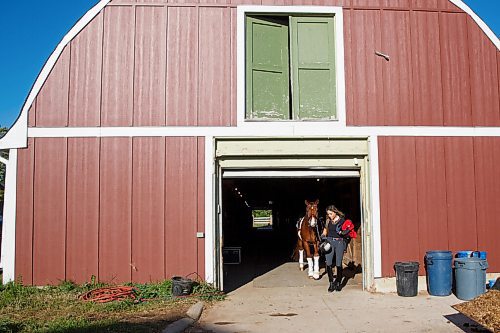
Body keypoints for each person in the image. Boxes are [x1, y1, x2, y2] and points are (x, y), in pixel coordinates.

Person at [321, 205, 348, 293]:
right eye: (328, 214)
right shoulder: (328, 221)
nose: (329, 215)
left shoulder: (342, 221)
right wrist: (323, 236)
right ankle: (331, 283)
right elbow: (325, 231)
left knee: (338, 263)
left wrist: (344, 233)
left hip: (339, 242)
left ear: (335, 212)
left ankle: (339, 282)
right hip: (329, 242)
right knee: (328, 262)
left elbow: (346, 232)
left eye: (331, 213)